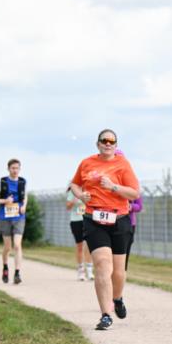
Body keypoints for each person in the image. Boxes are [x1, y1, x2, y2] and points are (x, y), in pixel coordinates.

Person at [69, 129, 140, 330]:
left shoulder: (123, 164)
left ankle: (117, 298)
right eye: (104, 141)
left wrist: (113, 187)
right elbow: (75, 184)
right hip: (94, 219)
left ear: (116, 145)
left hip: (119, 220)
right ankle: (106, 314)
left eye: (112, 141)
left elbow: (134, 192)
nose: (108, 144)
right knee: (102, 264)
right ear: (98, 143)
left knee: (118, 271)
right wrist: (80, 195)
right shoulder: (87, 163)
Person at [0, 159, 27, 284]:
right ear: (8, 169)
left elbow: (25, 195)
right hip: (5, 217)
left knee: (17, 245)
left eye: (17, 168)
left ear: (20, 169)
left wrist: (24, 206)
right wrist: (4, 201)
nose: (15, 170)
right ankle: (5, 267)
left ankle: (17, 273)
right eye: (13, 168)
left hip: (19, 217)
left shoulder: (23, 181)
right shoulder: (2, 182)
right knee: (8, 247)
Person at [65, 186, 93, 281]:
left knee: (89, 245)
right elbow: (68, 207)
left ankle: (89, 270)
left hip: (88, 220)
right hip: (76, 221)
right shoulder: (72, 192)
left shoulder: (89, 189)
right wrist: (76, 198)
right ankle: (81, 271)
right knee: (80, 246)